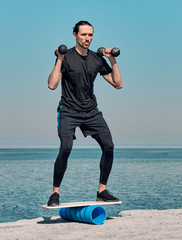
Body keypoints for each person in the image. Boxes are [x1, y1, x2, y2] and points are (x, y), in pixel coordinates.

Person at [47, 20, 123, 206]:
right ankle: (55, 193)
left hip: (91, 112)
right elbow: (52, 84)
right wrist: (59, 58)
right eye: (83, 34)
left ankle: (102, 191)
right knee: (66, 147)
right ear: (75, 35)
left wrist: (112, 60)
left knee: (109, 146)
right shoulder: (66, 57)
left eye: (90, 35)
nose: (87, 38)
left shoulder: (97, 59)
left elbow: (118, 84)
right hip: (69, 111)